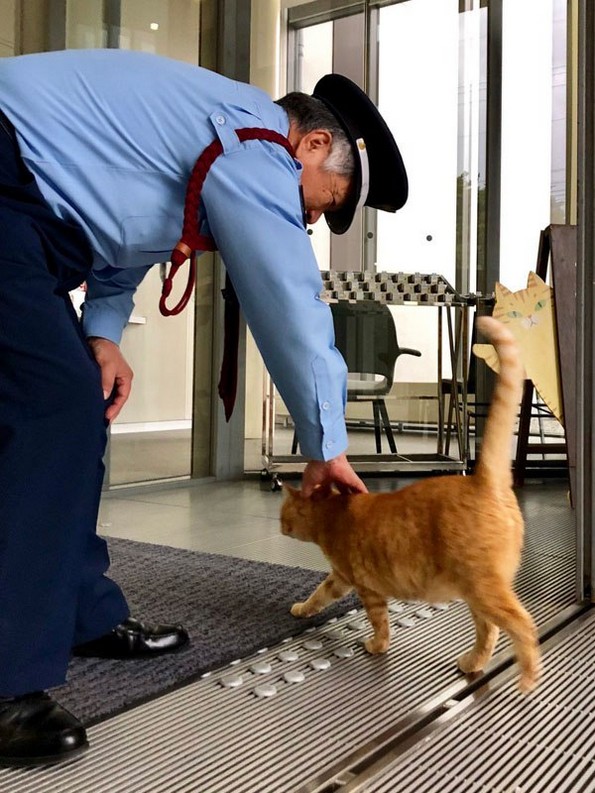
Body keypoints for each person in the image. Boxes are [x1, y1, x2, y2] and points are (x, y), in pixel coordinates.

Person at [0, 49, 408, 768]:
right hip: (8, 184)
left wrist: (102, 335)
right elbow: (287, 295)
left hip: (30, 214)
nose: (311, 218)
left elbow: (124, 225)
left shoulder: (213, 131)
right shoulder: (256, 143)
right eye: (326, 201)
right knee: (51, 411)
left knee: (73, 405)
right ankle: (7, 685)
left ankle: (75, 611)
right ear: (311, 145)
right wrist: (325, 445)